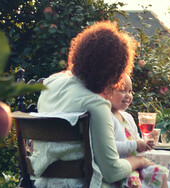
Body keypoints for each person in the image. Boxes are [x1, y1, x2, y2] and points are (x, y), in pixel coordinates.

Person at [30, 21, 160, 187]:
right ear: (114, 72)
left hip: (44, 183)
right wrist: (139, 160)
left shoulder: (51, 84)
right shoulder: (96, 104)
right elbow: (112, 172)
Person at [102, 74, 170, 188]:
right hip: (122, 169)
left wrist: (144, 144)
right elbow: (110, 146)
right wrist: (135, 145)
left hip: (135, 167)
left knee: (160, 173)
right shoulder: (107, 117)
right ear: (107, 92)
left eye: (130, 91)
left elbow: (136, 139)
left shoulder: (127, 117)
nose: (128, 95)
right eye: (122, 90)